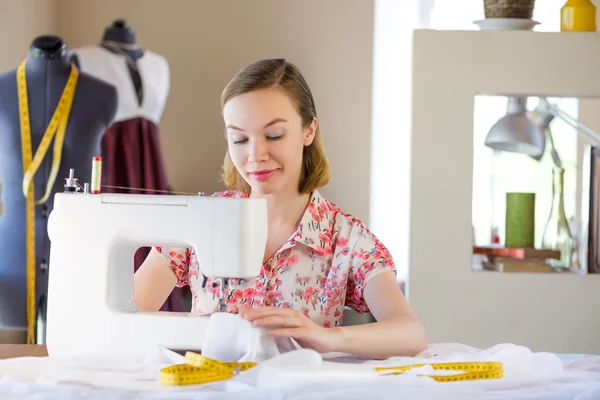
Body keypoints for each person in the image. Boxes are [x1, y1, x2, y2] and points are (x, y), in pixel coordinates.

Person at [133, 58, 428, 360]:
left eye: (274, 135)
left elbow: (410, 333)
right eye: (239, 138)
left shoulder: (345, 240)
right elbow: (123, 320)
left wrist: (327, 338)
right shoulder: (201, 219)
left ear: (309, 130)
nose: (255, 155)